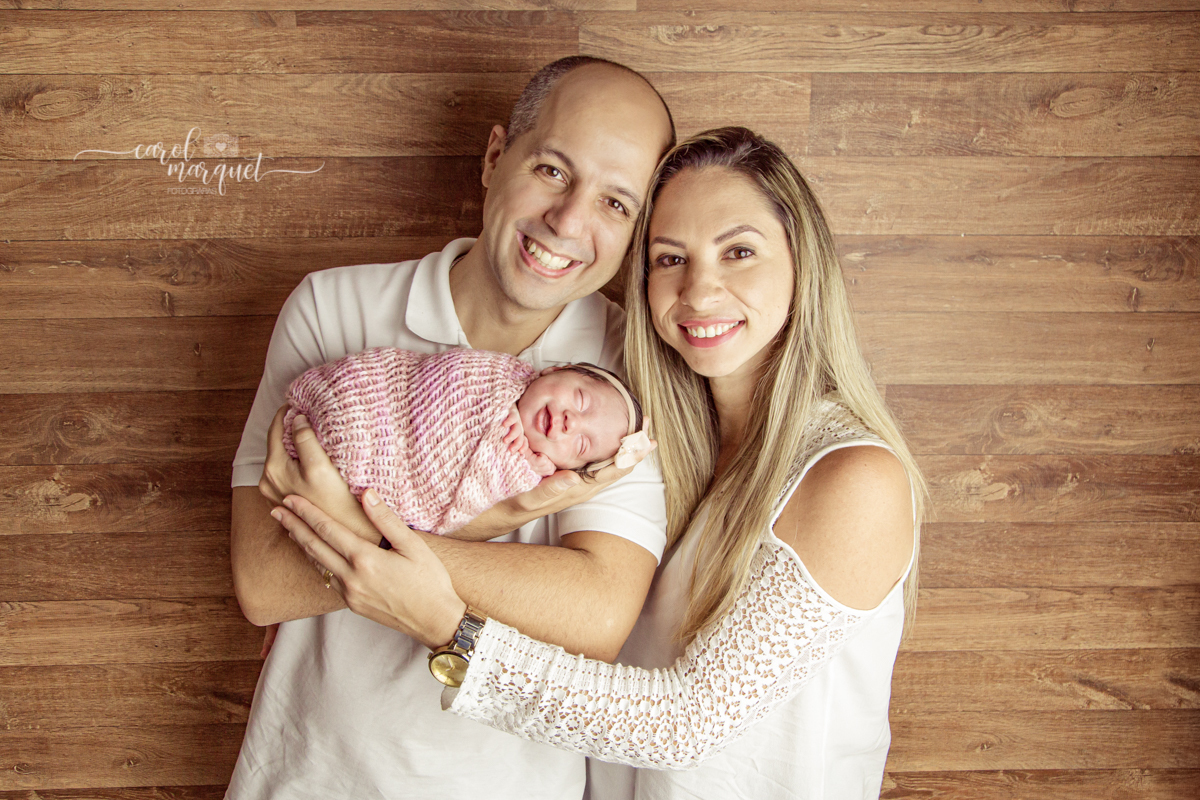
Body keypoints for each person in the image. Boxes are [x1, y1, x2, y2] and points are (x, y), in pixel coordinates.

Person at [275, 127, 928, 800]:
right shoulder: (675, 451)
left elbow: (683, 724)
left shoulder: (851, 477)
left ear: (803, 264)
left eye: (738, 252)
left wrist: (448, 626)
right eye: (670, 259)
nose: (700, 291)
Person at [226, 56, 675, 799]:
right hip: (308, 776)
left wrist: (356, 533)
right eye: (553, 171)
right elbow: (265, 583)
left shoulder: (629, 379)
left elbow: (596, 612)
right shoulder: (332, 311)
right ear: (496, 157)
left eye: (616, 204)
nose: (568, 223)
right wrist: (489, 524)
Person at [281, 346, 649, 535]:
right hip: (368, 401)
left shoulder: (526, 470)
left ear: (560, 468)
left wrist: (519, 466)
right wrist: (499, 415)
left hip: (390, 478)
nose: (571, 422)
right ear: (554, 370)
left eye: (581, 445)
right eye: (581, 400)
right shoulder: (494, 372)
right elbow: (429, 382)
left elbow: (471, 501)